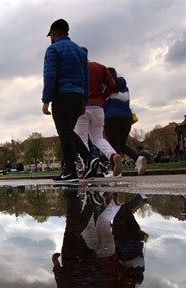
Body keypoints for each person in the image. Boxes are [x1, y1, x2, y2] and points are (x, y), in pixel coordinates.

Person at [41, 19, 99, 182]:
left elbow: (50, 75)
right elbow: (86, 78)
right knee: (68, 132)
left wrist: (46, 100)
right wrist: (84, 101)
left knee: (64, 132)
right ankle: (87, 158)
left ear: (53, 33)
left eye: (50, 35)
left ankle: (71, 170)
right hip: (78, 96)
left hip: (62, 96)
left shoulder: (53, 50)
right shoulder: (80, 51)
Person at [74, 48, 122, 178]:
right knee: (98, 138)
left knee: (81, 138)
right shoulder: (100, 67)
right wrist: (102, 96)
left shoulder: (77, 69)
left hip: (81, 106)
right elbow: (111, 84)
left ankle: (87, 166)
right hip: (98, 106)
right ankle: (112, 155)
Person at [104, 68, 146, 176]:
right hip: (127, 119)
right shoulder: (125, 88)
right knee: (122, 145)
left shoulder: (107, 87)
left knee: (113, 146)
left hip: (111, 118)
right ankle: (138, 159)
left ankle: (116, 171)